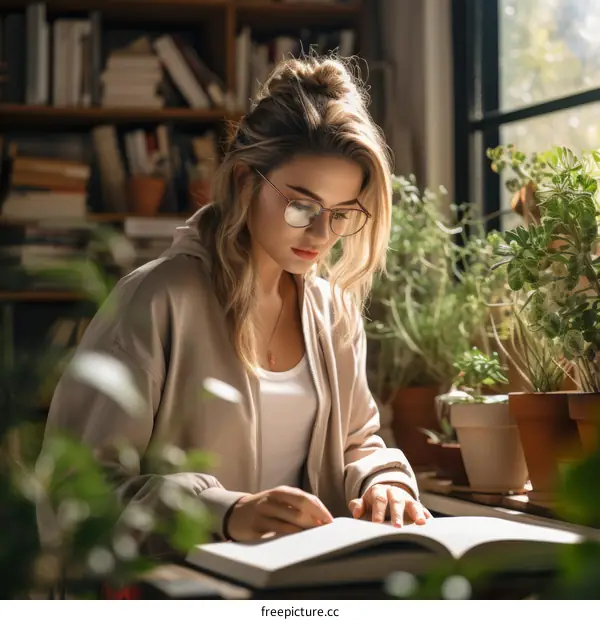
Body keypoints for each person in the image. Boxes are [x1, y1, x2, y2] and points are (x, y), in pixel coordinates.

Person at [43, 54, 431, 549]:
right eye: (302, 205)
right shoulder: (157, 300)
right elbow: (78, 491)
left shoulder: (334, 312)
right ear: (247, 180)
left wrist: (384, 482)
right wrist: (225, 512)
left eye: (341, 214)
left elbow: (357, 441)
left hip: (307, 581)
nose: (320, 233)